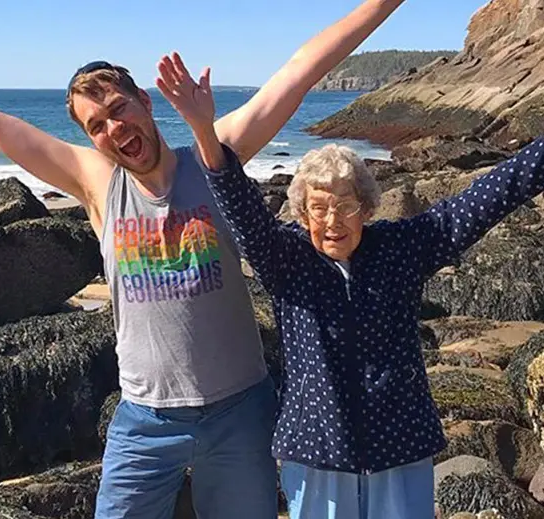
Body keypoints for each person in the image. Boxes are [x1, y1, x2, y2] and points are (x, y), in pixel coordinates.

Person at [0, 2, 405, 517]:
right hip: (146, 421)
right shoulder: (97, 184)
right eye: (97, 125)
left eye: (119, 109)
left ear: (144, 100)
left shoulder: (215, 157)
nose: (114, 129)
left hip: (241, 412)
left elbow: (300, 70)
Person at [157, 54, 544, 519]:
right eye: (319, 208)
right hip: (317, 451)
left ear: (367, 205)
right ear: (301, 214)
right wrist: (204, 131)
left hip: (401, 445)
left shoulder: (402, 249)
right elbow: (241, 208)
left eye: (346, 205)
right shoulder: (286, 259)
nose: (333, 221)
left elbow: (488, 197)